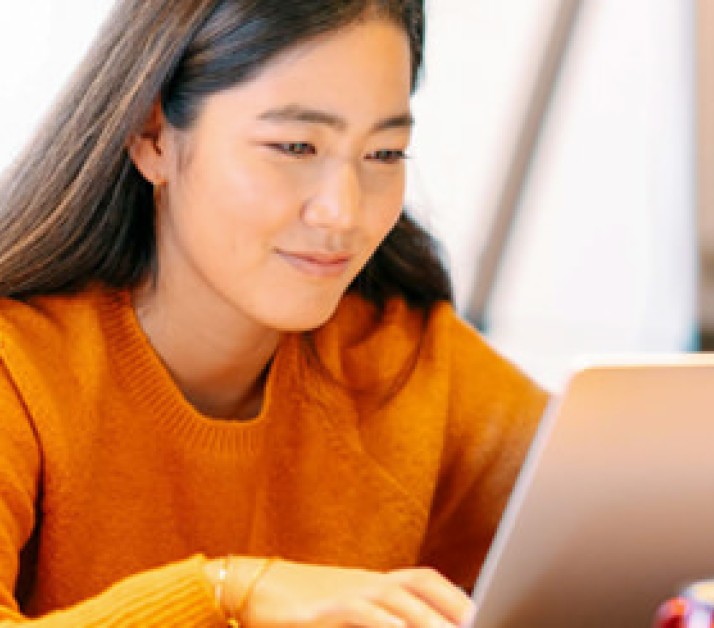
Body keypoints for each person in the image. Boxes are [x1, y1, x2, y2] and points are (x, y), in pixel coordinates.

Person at [0, 1, 549, 626]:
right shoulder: (17, 369)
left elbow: (635, 533)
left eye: (384, 154)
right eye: (294, 146)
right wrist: (225, 591)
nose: (343, 213)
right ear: (152, 136)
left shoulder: (408, 362)